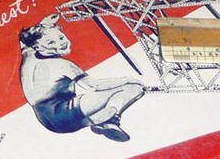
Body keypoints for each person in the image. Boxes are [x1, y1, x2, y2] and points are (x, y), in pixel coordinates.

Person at [19, 14, 144, 142]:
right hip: (64, 113)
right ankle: (107, 119)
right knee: (134, 88)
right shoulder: (63, 65)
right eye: (51, 42)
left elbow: (24, 39)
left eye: (61, 37)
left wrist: (44, 24)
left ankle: (101, 122)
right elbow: (95, 86)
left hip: (47, 121)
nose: (61, 43)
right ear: (37, 47)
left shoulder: (28, 56)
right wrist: (127, 80)